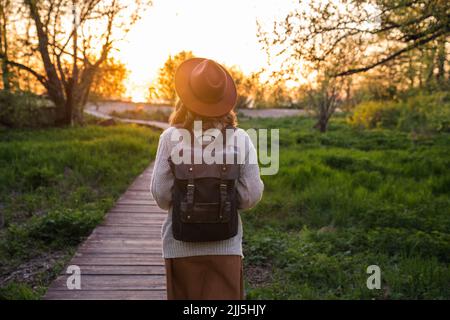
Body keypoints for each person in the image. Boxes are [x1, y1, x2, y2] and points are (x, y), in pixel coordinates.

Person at [150, 57, 264, 300]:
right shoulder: (241, 138)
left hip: (180, 248)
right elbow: (251, 194)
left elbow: (161, 195)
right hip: (227, 247)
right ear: (224, 102)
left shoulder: (170, 138)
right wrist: (225, 199)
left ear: (186, 99)